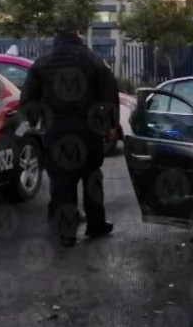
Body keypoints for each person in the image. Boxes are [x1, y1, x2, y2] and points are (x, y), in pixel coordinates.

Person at [20, 16, 119, 247]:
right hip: (88, 128)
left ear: (56, 34)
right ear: (78, 32)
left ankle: (67, 234)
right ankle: (96, 225)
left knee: (63, 181)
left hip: (57, 129)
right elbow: (109, 92)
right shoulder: (93, 60)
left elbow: (27, 99)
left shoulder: (41, 62)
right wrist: (111, 125)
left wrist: (36, 121)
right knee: (91, 176)